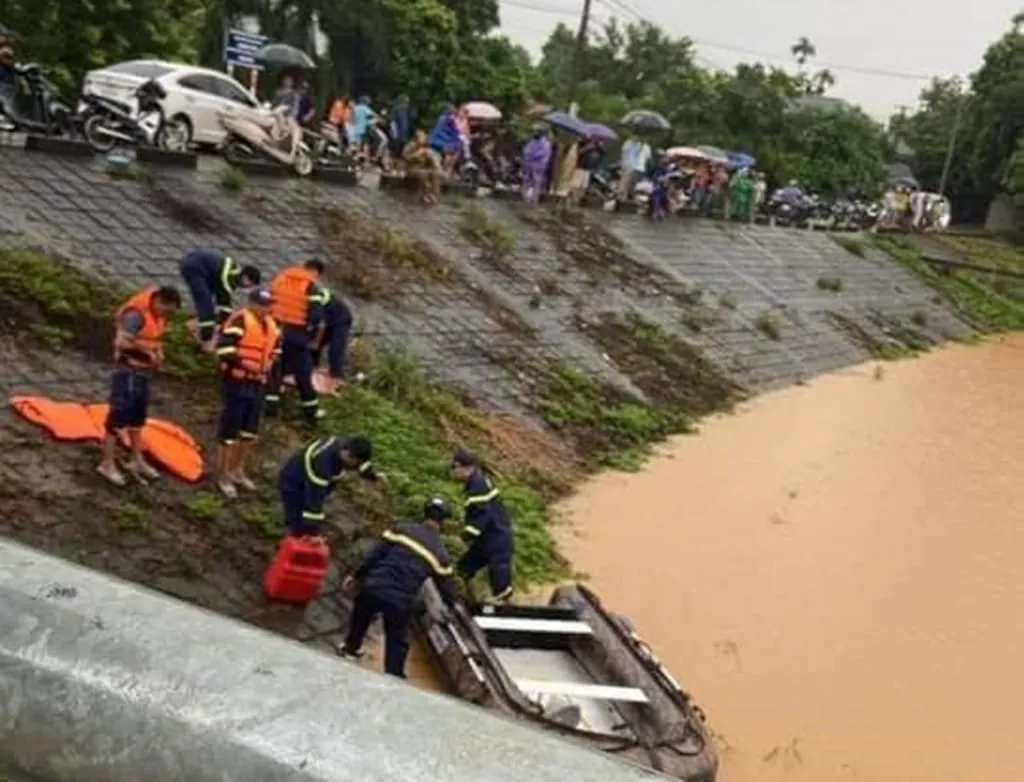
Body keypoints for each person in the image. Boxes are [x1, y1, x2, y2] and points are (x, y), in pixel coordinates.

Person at [339, 496, 457, 677]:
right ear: (444, 522)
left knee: (360, 618)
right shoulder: (441, 554)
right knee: (397, 640)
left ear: (423, 513)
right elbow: (446, 588)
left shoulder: (401, 530)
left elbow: (375, 555)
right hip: (400, 600)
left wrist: (356, 575)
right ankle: (393, 676)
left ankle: (350, 649)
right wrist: (452, 607)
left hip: (375, 586)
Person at [97, 286, 182, 486]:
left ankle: (137, 459)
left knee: (137, 418)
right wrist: (148, 350)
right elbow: (122, 342)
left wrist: (157, 352)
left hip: (143, 373)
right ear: (158, 301)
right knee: (116, 419)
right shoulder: (135, 315)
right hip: (128, 372)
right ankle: (107, 463)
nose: (167, 314)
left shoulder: (157, 317)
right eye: (167, 309)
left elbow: (153, 339)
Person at [213, 288, 281, 498]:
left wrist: (268, 365)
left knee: (250, 430)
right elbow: (224, 350)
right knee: (229, 429)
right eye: (262, 304)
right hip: (237, 381)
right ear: (251, 303)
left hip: (258, 383)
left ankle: (237, 470)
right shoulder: (239, 321)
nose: (266, 309)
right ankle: (223, 475)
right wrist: (247, 366)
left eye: (269, 304)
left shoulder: (272, 326)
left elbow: (276, 350)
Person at [264, 258, 328, 424]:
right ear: (316, 272)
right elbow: (316, 315)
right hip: (296, 332)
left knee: (275, 366)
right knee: (303, 371)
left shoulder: (280, 278)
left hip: (275, 328)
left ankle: (270, 405)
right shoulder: (311, 287)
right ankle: (310, 412)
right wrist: (309, 332)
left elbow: (267, 300)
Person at [277, 434, 377, 536]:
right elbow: (314, 501)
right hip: (293, 482)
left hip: (315, 478)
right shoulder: (323, 466)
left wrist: (370, 474)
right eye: (356, 463)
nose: (355, 466)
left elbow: (361, 463)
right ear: (350, 456)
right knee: (297, 517)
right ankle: (293, 539)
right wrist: (312, 530)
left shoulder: (346, 443)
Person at [452, 450, 514, 603]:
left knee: (500, 581)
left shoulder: (477, 485)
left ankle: (506, 610)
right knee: (464, 568)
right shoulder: (477, 481)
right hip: (486, 540)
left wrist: (465, 537)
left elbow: (481, 517)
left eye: (454, 468)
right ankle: (469, 600)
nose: (452, 472)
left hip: (497, 540)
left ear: (464, 468)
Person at [178, 248, 260, 349]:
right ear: (246, 277)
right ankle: (205, 334)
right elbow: (223, 295)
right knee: (205, 301)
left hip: (202, 270)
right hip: (196, 267)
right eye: (250, 284)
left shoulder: (231, 277)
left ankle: (197, 326)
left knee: (208, 299)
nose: (247, 288)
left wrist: (224, 315)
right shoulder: (229, 273)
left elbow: (223, 296)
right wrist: (223, 316)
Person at [310, 287, 353, 392]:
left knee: (335, 349)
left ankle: (337, 377)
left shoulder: (314, 300)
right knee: (312, 344)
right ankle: (312, 367)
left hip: (340, 318)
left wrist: (315, 342)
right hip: (326, 317)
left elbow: (321, 324)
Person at [617, 132, 652, 205]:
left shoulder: (645, 146)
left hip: (638, 167)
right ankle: (625, 197)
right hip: (633, 167)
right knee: (628, 183)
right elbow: (625, 154)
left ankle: (627, 197)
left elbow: (648, 158)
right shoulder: (631, 144)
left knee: (631, 183)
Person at [521, 127, 552, 203]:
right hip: (529, 165)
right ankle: (526, 198)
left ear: (541, 133)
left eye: (536, 132)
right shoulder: (532, 141)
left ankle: (534, 199)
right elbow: (526, 150)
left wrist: (531, 155)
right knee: (527, 181)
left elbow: (542, 154)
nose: (534, 133)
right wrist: (527, 154)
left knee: (536, 183)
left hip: (539, 166)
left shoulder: (546, 143)